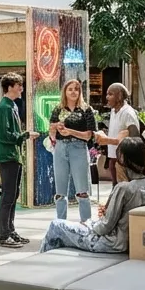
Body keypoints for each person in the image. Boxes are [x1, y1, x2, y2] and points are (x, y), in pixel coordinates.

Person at [39, 137, 145, 254]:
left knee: (56, 226)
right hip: (127, 240)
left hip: (111, 242)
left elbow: (105, 227)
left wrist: (89, 225)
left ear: (123, 159)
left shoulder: (124, 188)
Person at [0, 72, 38, 249]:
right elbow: (3, 135)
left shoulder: (11, 106)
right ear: (10, 87)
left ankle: (10, 230)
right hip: (7, 156)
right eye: (19, 85)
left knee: (12, 195)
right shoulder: (4, 108)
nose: (21, 89)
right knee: (8, 196)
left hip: (13, 155)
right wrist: (24, 135)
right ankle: (4, 234)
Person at [48, 79, 96, 223]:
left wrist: (70, 132)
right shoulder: (58, 109)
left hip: (78, 148)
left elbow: (89, 135)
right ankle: (61, 223)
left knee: (82, 189)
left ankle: (86, 222)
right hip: (60, 148)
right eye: (70, 89)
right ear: (65, 92)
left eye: (76, 89)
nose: (73, 92)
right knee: (60, 190)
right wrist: (54, 129)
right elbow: (52, 134)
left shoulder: (86, 109)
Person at [93, 82, 140, 184]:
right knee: (116, 185)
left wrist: (109, 140)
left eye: (110, 94)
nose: (107, 97)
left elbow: (135, 138)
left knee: (124, 186)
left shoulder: (128, 113)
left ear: (119, 96)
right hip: (114, 157)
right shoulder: (113, 111)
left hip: (124, 159)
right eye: (107, 94)